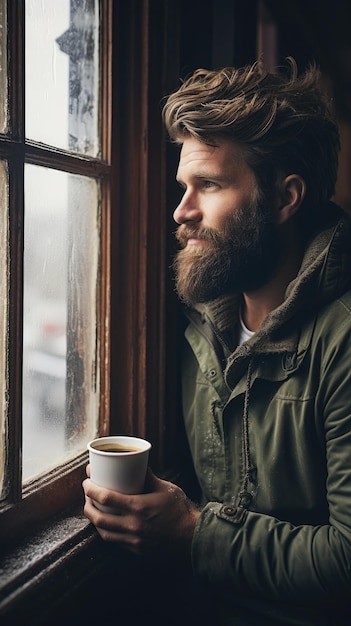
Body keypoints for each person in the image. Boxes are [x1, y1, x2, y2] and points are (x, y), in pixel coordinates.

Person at [83, 58, 351, 625]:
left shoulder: (342, 340)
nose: (181, 211)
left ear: (286, 198)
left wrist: (191, 529)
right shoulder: (199, 326)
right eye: (184, 186)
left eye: (209, 184)